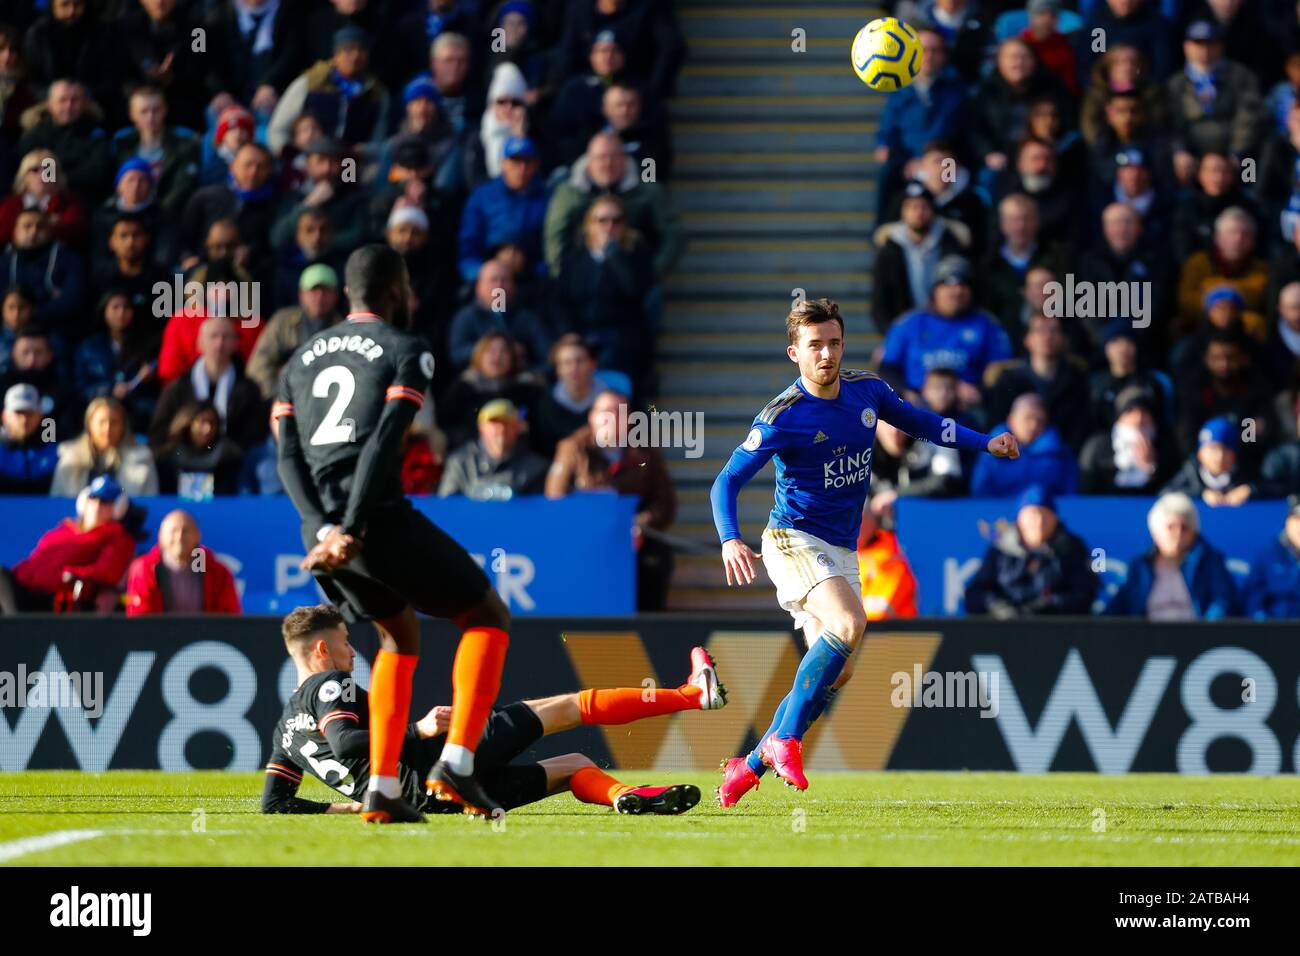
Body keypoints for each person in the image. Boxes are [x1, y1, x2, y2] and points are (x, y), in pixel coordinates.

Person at [710, 298, 1017, 806]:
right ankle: (787, 740)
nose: (826, 355)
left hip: (839, 547)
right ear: (794, 353)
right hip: (792, 539)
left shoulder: (867, 391)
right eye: (814, 346)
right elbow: (725, 481)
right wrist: (728, 538)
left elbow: (922, 424)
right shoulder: (780, 417)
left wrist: (986, 442)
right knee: (850, 624)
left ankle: (753, 762)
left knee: (841, 665)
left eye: (833, 343)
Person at [275, 244, 513, 823]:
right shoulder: (407, 349)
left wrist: (323, 530)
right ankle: (456, 763)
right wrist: (353, 526)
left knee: (398, 635)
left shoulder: (297, 359)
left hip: (322, 529)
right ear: (392, 289)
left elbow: (286, 458)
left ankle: (381, 787)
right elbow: (382, 443)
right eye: (406, 284)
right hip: (372, 515)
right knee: (486, 617)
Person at [262, 604, 723, 816]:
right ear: (322, 649)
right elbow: (347, 744)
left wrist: (354, 805)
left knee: (574, 766)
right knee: (562, 708)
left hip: (432, 803)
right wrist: (419, 730)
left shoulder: (285, 730)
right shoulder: (330, 684)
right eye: (344, 643)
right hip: (444, 766)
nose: (351, 654)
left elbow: (275, 805)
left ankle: (624, 797)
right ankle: (691, 695)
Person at [546, 389, 677, 611]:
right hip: (585, 538)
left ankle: (649, 631)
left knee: (656, 560)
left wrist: (639, 525)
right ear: (592, 416)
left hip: (635, 539)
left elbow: (666, 502)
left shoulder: (645, 451)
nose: (612, 418)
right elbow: (556, 499)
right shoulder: (573, 448)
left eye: (620, 412)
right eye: (605, 411)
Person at [0, 475, 134, 614]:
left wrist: (71, 574)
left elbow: (106, 571)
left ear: (118, 508)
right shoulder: (62, 530)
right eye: (93, 499)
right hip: (25, 586)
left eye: (106, 502)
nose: (98, 506)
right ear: (84, 502)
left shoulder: (117, 537)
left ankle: (15, 628)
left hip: (56, 598)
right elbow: (35, 561)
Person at [965, 485, 1098, 618]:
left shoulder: (1071, 547)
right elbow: (977, 594)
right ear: (1019, 519)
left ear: (1055, 519)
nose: (1039, 522)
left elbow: (1085, 594)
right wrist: (998, 608)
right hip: (1006, 632)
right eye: (1033, 515)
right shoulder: (1000, 549)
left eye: (1045, 515)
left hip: (1056, 630)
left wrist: (1049, 606)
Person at [1103, 491, 1237, 620]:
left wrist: (1208, 632)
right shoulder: (1139, 566)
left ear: (1194, 533)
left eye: (1184, 527)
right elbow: (1116, 608)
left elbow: (1222, 602)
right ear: (1156, 533)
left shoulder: (1211, 562)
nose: (1178, 534)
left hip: (1198, 639)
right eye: (1170, 527)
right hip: (1147, 640)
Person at [125, 509, 242, 616]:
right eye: (173, 531)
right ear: (160, 536)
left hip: (205, 638)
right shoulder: (143, 569)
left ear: (198, 535)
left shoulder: (218, 572)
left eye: (186, 531)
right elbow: (139, 618)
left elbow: (229, 619)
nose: (179, 537)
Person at [970, 393, 1079, 498]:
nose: (1033, 425)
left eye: (1040, 420)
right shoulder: (990, 452)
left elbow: (1070, 494)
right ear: (1011, 420)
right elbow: (981, 493)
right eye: (1027, 418)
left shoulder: (1060, 453)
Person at [437, 398, 548, 500]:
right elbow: (447, 507)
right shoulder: (460, 462)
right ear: (481, 427)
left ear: (518, 428)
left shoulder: (536, 468)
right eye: (494, 422)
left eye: (507, 423)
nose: (501, 429)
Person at [50, 396, 158, 498]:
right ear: (89, 425)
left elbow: (150, 504)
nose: (108, 428)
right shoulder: (70, 459)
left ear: (123, 426)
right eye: (102, 422)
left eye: (114, 422)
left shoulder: (142, 459)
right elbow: (55, 503)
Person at [153, 400, 245, 499]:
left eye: (212, 423)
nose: (207, 429)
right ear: (188, 423)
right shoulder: (167, 458)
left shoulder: (230, 457)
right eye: (201, 422)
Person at [1241, 495, 1300, 619]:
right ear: (1287, 522)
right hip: (1277, 631)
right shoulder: (1267, 556)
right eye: (1297, 519)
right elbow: (1253, 599)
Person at [855, 505, 917, 621]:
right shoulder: (840, 555)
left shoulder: (891, 560)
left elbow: (878, 612)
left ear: (871, 523)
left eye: (857, 521)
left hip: (890, 636)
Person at [0, 383, 57, 493]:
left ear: (40, 415)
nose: (24, 420)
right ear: (4, 416)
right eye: (18, 413)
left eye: (29, 413)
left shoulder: (54, 452)